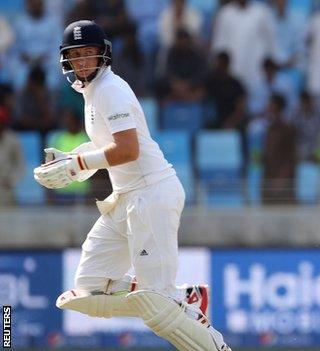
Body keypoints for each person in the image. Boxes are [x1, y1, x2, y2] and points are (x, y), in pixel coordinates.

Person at [33, 20, 230, 351]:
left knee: (157, 309)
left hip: (151, 195)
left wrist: (79, 163)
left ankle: (209, 341)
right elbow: (111, 148)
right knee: (88, 289)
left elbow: (128, 150)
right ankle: (183, 297)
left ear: (103, 55)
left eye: (88, 55)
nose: (82, 62)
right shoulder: (91, 92)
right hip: (125, 197)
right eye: (75, 56)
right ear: (66, 60)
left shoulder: (111, 90)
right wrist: (74, 160)